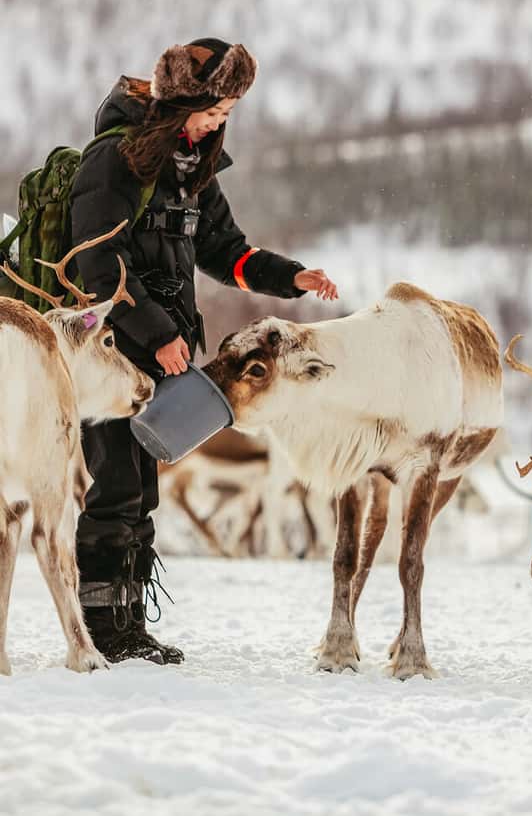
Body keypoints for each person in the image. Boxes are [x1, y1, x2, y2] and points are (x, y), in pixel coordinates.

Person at [69, 38, 339, 664]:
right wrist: (157, 333)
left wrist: (290, 277)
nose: (218, 124)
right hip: (110, 354)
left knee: (143, 491)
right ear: (179, 104)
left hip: (162, 357)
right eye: (213, 111)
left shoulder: (192, 169)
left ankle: (128, 625)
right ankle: (103, 629)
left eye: (226, 113)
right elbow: (96, 263)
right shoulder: (112, 161)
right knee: (115, 487)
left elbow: (225, 251)